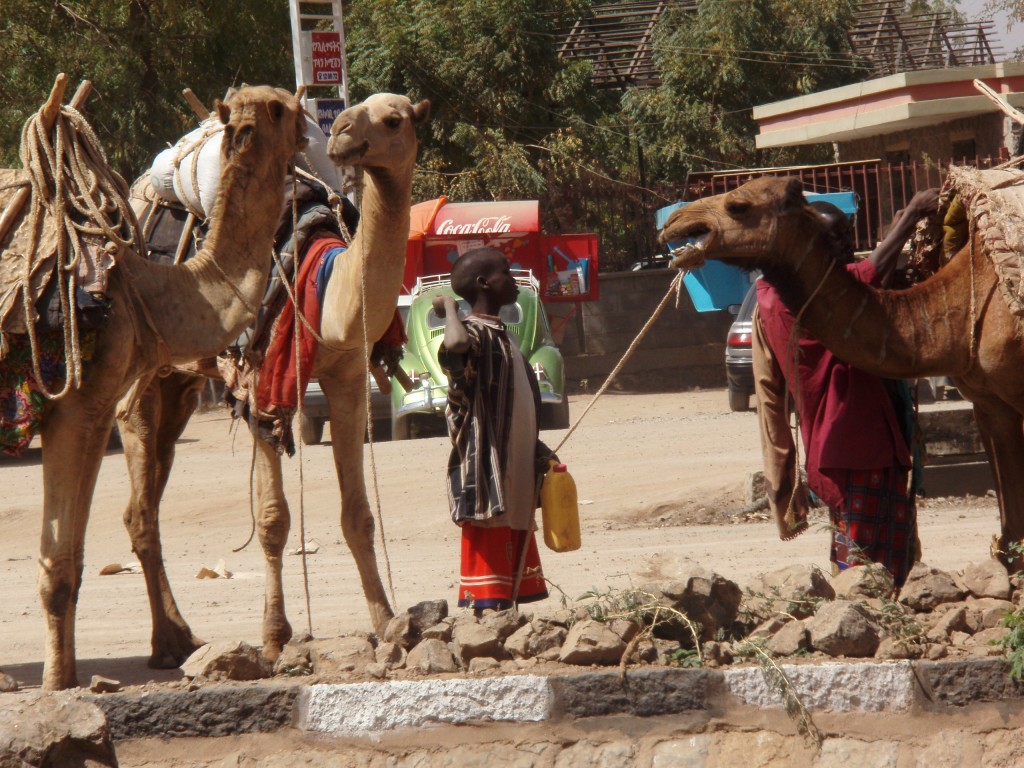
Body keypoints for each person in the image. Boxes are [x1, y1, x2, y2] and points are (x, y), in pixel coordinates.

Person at [753, 188, 939, 588]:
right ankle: (865, 614)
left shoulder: (783, 291)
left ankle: (880, 613)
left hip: (866, 442)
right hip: (852, 443)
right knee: (863, 560)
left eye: (848, 236)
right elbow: (867, 274)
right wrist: (912, 214)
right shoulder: (800, 298)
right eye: (834, 239)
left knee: (881, 550)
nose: (847, 247)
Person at [434, 247, 557, 612]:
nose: (515, 279)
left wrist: (537, 447)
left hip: (514, 462)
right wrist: (452, 308)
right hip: (487, 464)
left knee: (515, 523)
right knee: (492, 526)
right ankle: (486, 615)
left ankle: (506, 613)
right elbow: (455, 344)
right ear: (484, 282)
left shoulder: (504, 338)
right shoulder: (472, 333)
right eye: (507, 270)